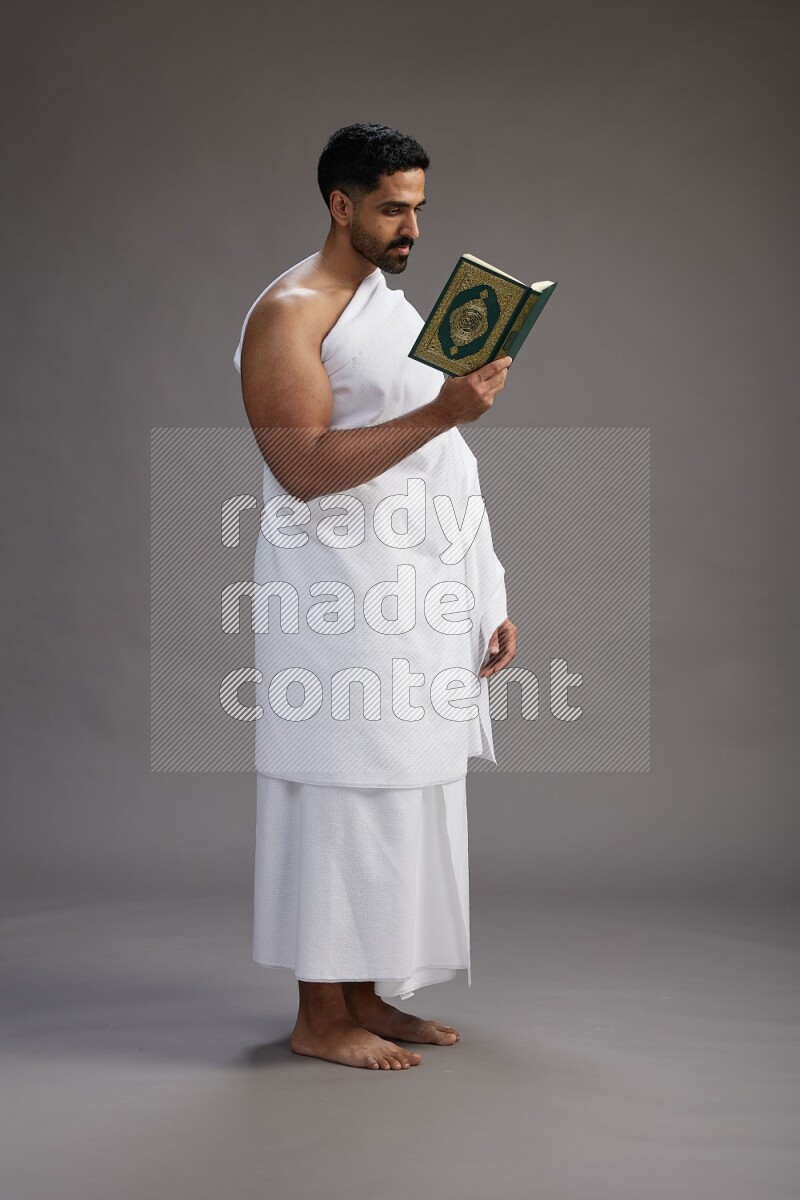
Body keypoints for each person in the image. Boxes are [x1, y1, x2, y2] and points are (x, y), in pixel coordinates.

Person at [234, 123, 517, 1071]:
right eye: (394, 208)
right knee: (340, 795)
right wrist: (442, 406)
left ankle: (367, 994)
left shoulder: (385, 308)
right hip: (336, 607)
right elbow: (301, 468)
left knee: (403, 794)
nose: (411, 228)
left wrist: (486, 594)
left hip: (417, 597)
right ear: (339, 204)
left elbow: (444, 459)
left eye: (420, 210)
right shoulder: (290, 312)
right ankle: (319, 1016)